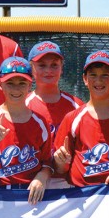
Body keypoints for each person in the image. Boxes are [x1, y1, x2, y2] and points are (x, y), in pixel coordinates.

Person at [0, 57, 52, 205]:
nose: (16, 89)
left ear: (30, 85)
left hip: (32, 195)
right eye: (10, 83)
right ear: (0, 84)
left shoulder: (40, 121)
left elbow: (48, 163)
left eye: (22, 83)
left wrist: (42, 177)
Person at [53, 50, 109, 187]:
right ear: (85, 79)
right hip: (80, 196)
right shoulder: (73, 118)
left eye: (105, 75)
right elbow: (60, 170)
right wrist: (60, 162)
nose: (98, 80)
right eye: (93, 75)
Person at [26, 40, 83, 189]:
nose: (48, 70)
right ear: (31, 68)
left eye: (54, 65)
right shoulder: (23, 104)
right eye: (42, 65)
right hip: (32, 180)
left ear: (61, 68)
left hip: (67, 180)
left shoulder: (76, 105)